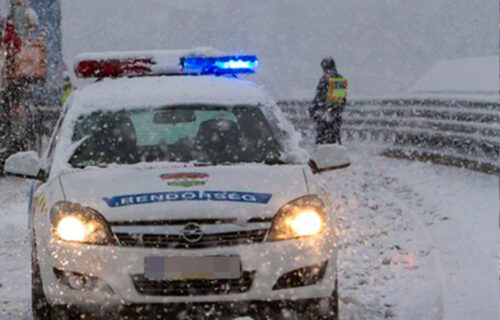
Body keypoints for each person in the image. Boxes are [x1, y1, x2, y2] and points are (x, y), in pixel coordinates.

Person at [310, 57, 348, 144]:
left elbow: (337, 101)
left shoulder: (337, 80)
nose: (324, 72)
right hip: (326, 115)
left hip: (329, 116)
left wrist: (320, 109)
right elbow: (318, 97)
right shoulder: (325, 79)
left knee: (329, 138)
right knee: (326, 138)